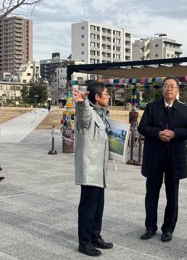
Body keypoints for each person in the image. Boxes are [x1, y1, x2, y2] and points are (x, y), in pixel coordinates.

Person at [138, 76, 187, 242]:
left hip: (174, 159)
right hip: (154, 157)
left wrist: (174, 133)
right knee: (151, 195)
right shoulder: (151, 107)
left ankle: (168, 229)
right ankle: (150, 227)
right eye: (166, 86)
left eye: (172, 86)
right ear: (162, 89)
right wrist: (158, 133)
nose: (169, 88)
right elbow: (142, 127)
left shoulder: (184, 110)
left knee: (173, 196)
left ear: (177, 90)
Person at [73, 82, 113, 257]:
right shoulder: (88, 112)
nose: (109, 96)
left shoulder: (101, 115)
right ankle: (84, 242)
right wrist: (82, 102)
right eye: (106, 93)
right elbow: (83, 115)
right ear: (97, 97)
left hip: (99, 170)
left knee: (98, 207)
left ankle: (95, 236)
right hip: (90, 169)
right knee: (88, 208)